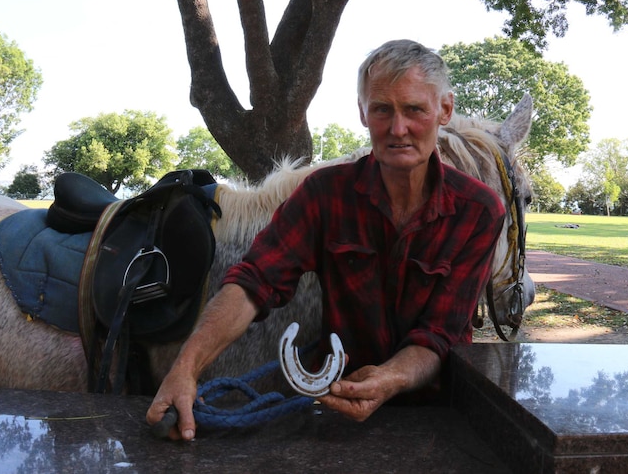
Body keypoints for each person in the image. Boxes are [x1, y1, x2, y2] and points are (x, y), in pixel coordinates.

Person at [145, 39, 506, 440]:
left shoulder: (480, 212)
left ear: (444, 110)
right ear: (362, 113)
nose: (397, 128)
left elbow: (440, 333)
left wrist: (390, 378)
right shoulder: (325, 194)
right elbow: (253, 282)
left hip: (433, 417)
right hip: (337, 410)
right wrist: (185, 368)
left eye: (415, 110)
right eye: (382, 109)